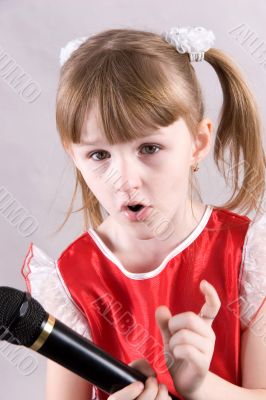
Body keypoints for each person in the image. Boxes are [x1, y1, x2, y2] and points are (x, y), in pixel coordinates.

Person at [21, 26, 266, 400]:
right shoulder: (72, 280)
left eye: (149, 148)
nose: (125, 180)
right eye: (99, 155)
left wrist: (201, 386)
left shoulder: (246, 256)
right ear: (74, 156)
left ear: (198, 143)